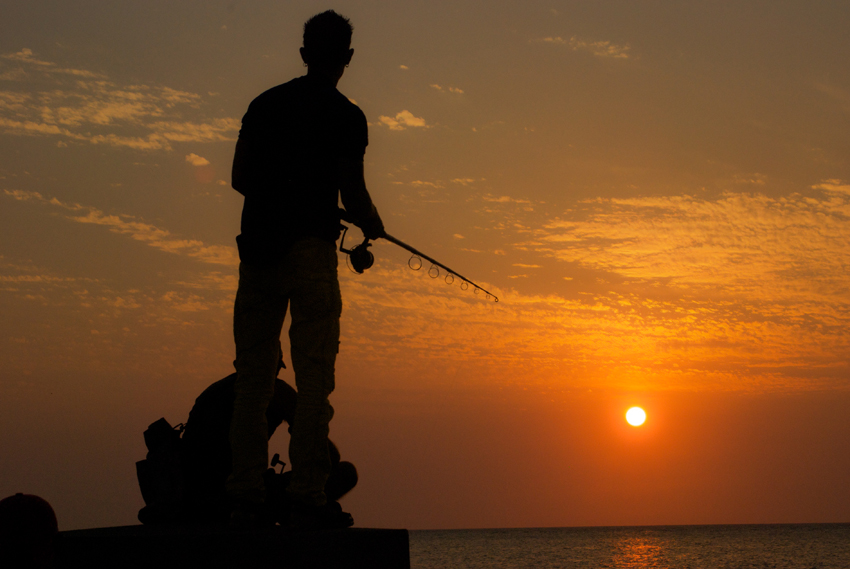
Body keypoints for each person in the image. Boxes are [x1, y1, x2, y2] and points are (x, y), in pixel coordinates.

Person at [228, 9, 383, 529]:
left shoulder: (263, 104)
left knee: (253, 377)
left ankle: (245, 490)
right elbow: (354, 193)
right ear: (347, 59)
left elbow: (240, 177)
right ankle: (308, 493)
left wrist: (282, 194)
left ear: (302, 54)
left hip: (258, 254)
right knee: (314, 375)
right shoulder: (347, 116)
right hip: (312, 254)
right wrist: (372, 223)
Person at [180, 364, 358, 526]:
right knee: (346, 473)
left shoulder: (214, 392)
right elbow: (328, 456)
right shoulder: (276, 391)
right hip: (236, 499)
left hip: (190, 496)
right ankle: (301, 512)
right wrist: (300, 429)